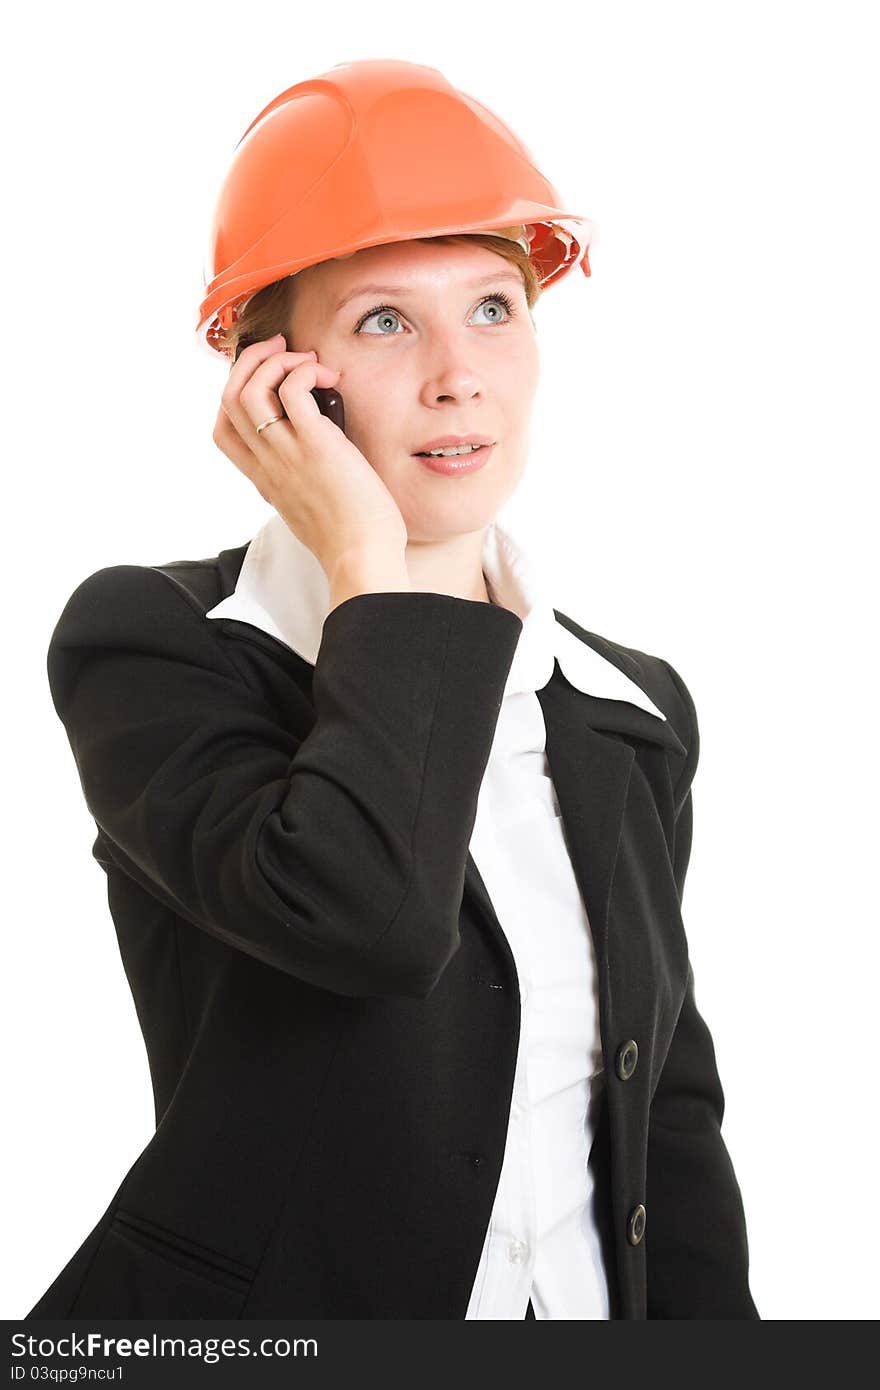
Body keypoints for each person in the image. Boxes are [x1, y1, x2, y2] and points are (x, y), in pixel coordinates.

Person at [24, 59, 758, 1320]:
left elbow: (664, 1112)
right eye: (381, 322)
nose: (456, 374)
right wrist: (371, 565)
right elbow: (363, 919)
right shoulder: (159, 644)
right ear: (273, 382)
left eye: (491, 308)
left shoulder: (629, 710)